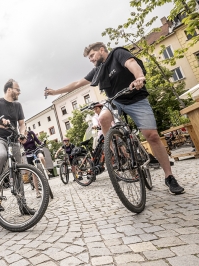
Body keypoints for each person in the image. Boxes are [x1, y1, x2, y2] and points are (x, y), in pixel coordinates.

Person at [45, 42, 185, 195]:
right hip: (115, 100)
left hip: (135, 99)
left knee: (152, 136)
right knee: (103, 119)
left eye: (92, 55)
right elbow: (78, 83)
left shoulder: (117, 54)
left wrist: (139, 77)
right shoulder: (98, 70)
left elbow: (131, 63)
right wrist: (55, 92)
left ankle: (169, 176)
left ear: (102, 50)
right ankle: (115, 149)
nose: (91, 59)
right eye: (89, 57)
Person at [0, 79, 29, 212]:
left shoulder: (18, 106)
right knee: (1, 155)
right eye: (17, 89)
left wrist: (22, 133)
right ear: (9, 89)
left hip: (14, 140)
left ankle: (23, 206)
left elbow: (22, 123)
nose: (19, 92)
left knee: (18, 171)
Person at [21, 130, 46, 197]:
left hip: (36, 150)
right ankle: (37, 192)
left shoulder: (31, 133)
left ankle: (45, 170)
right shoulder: (20, 136)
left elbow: (37, 140)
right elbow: (20, 145)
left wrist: (41, 143)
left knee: (41, 157)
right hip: (29, 154)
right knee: (34, 174)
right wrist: (22, 151)